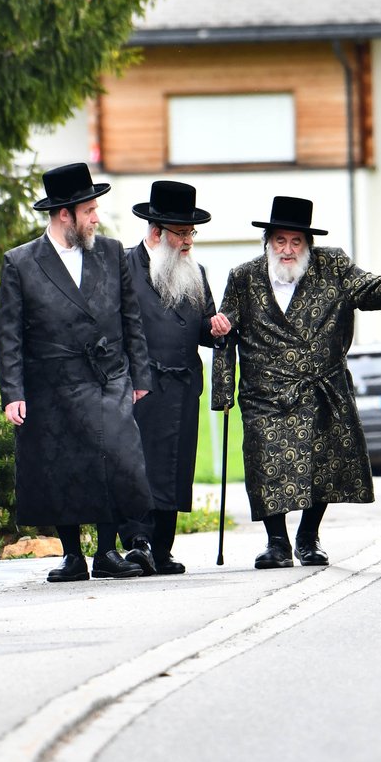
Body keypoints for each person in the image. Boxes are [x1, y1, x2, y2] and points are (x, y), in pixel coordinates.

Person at [211, 195, 381, 570]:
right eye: (280, 241)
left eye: (296, 242)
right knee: (265, 466)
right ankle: (276, 542)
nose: (287, 250)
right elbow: (225, 331)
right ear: (268, 242)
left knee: (322, 465)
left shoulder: (331, 265)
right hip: (265, 394)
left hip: (321, 389)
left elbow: (367, 285)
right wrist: (222, 392)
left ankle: (308, 537)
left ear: (308, 244)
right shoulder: (243, 277)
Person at [0, 161, 154, 582]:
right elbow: (8, 333)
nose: (96, 217)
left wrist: (140, 379)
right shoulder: (21, 262)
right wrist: (13, 392)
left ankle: (106, 552)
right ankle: (72, 556)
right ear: (64, 214)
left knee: (114, 459)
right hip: (50, 381)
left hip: (107, 375)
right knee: (58, 465)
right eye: (89, 210)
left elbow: (130, 320)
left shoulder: (111, 251)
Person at [115, 180, 230, 576]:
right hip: (140, 387)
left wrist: (216, 329)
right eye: (181, 233)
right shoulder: (125, 268)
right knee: (139, 466)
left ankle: (161, 549)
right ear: (156, 232)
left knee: (174, 468)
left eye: (191, 233)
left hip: (181, 387)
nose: (188, 241)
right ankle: (137, 543)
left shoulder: (196, 272)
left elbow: (202, 327)